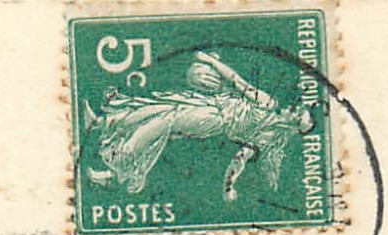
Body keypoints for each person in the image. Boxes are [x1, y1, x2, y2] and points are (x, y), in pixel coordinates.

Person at [83, 51, 313, 201]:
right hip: (213, 102)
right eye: (297, 109)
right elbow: (237, 85)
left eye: (296, 114)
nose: (292, 109)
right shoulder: (269, 104)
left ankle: (115, 169)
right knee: (161, 106)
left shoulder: (268, 133)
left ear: (292, 125)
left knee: (166, 118)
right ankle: (101, 125)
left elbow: (240, 158)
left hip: (213, 119)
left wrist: (228, 187)